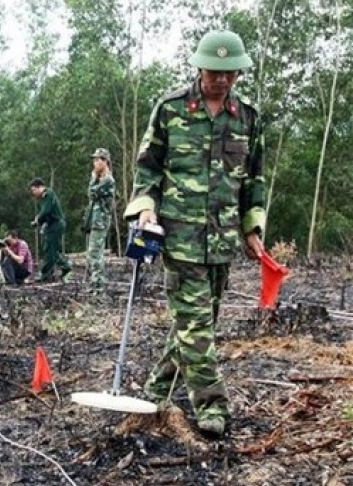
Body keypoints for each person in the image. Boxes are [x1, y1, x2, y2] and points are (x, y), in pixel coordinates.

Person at [123, 30, 265, 436]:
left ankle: (156, 390)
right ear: (199, 67)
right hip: (179, 236)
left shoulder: (248, 118)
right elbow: (147, 168)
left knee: (196, 323)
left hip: (222, 239)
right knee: (197, 326)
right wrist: (146, 207)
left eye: (230, 73)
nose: (221, 79)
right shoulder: (170, 110)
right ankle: (212, 406)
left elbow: (254, 179)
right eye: (214, 72)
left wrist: (253, 228)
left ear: (238, 72)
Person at [83, 148, 116, 294]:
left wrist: (93, 178)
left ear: (105, 161)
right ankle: (94, 284)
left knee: (95, 253)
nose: (95, 163)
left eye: (98, 160)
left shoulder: (107, 180)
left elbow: (92, 193)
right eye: (94, 160)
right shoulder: (100, 179)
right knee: (92, 253)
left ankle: (98, 286)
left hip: (100, 221)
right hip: (95, 220)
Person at [28, 178, 72, 283]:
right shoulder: (42, 199)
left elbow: (46, 211)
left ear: (40, 187)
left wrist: (38, 220)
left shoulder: (48, 194)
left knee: (50, 249)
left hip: (55, 224)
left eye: (34, 190)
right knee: (50, 249)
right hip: (49, 225)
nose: (33, 193)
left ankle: (47, 273)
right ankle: (62, 267)